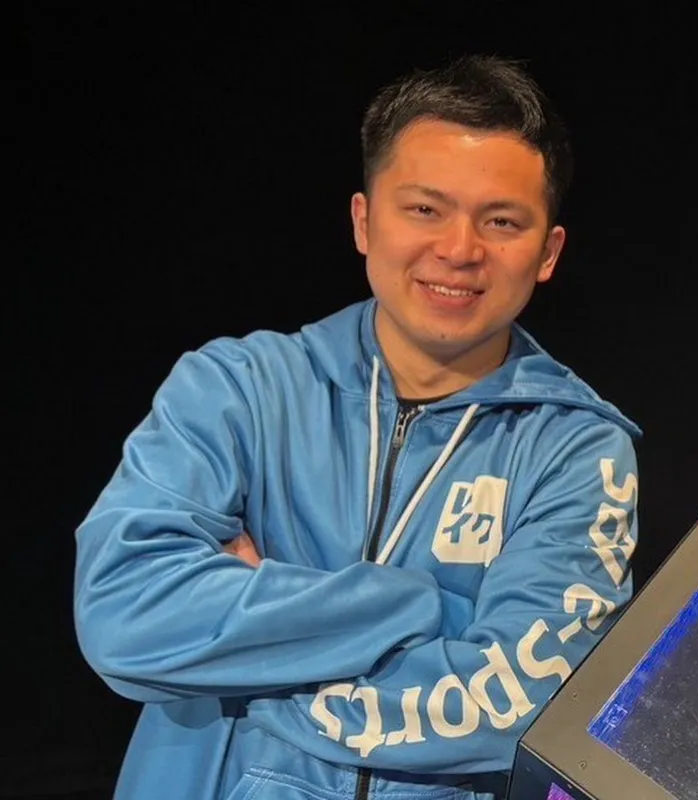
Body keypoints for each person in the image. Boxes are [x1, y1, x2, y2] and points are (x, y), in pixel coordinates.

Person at [73, 54, 641, 800]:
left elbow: (525, 712)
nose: (460, 250)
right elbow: (125, 616)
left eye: (502, 221)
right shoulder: (236, 389)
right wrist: (416, 607)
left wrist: (251, 670)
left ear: (547, 252)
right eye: (425, 210)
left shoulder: (579, 449)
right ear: (364, 221)